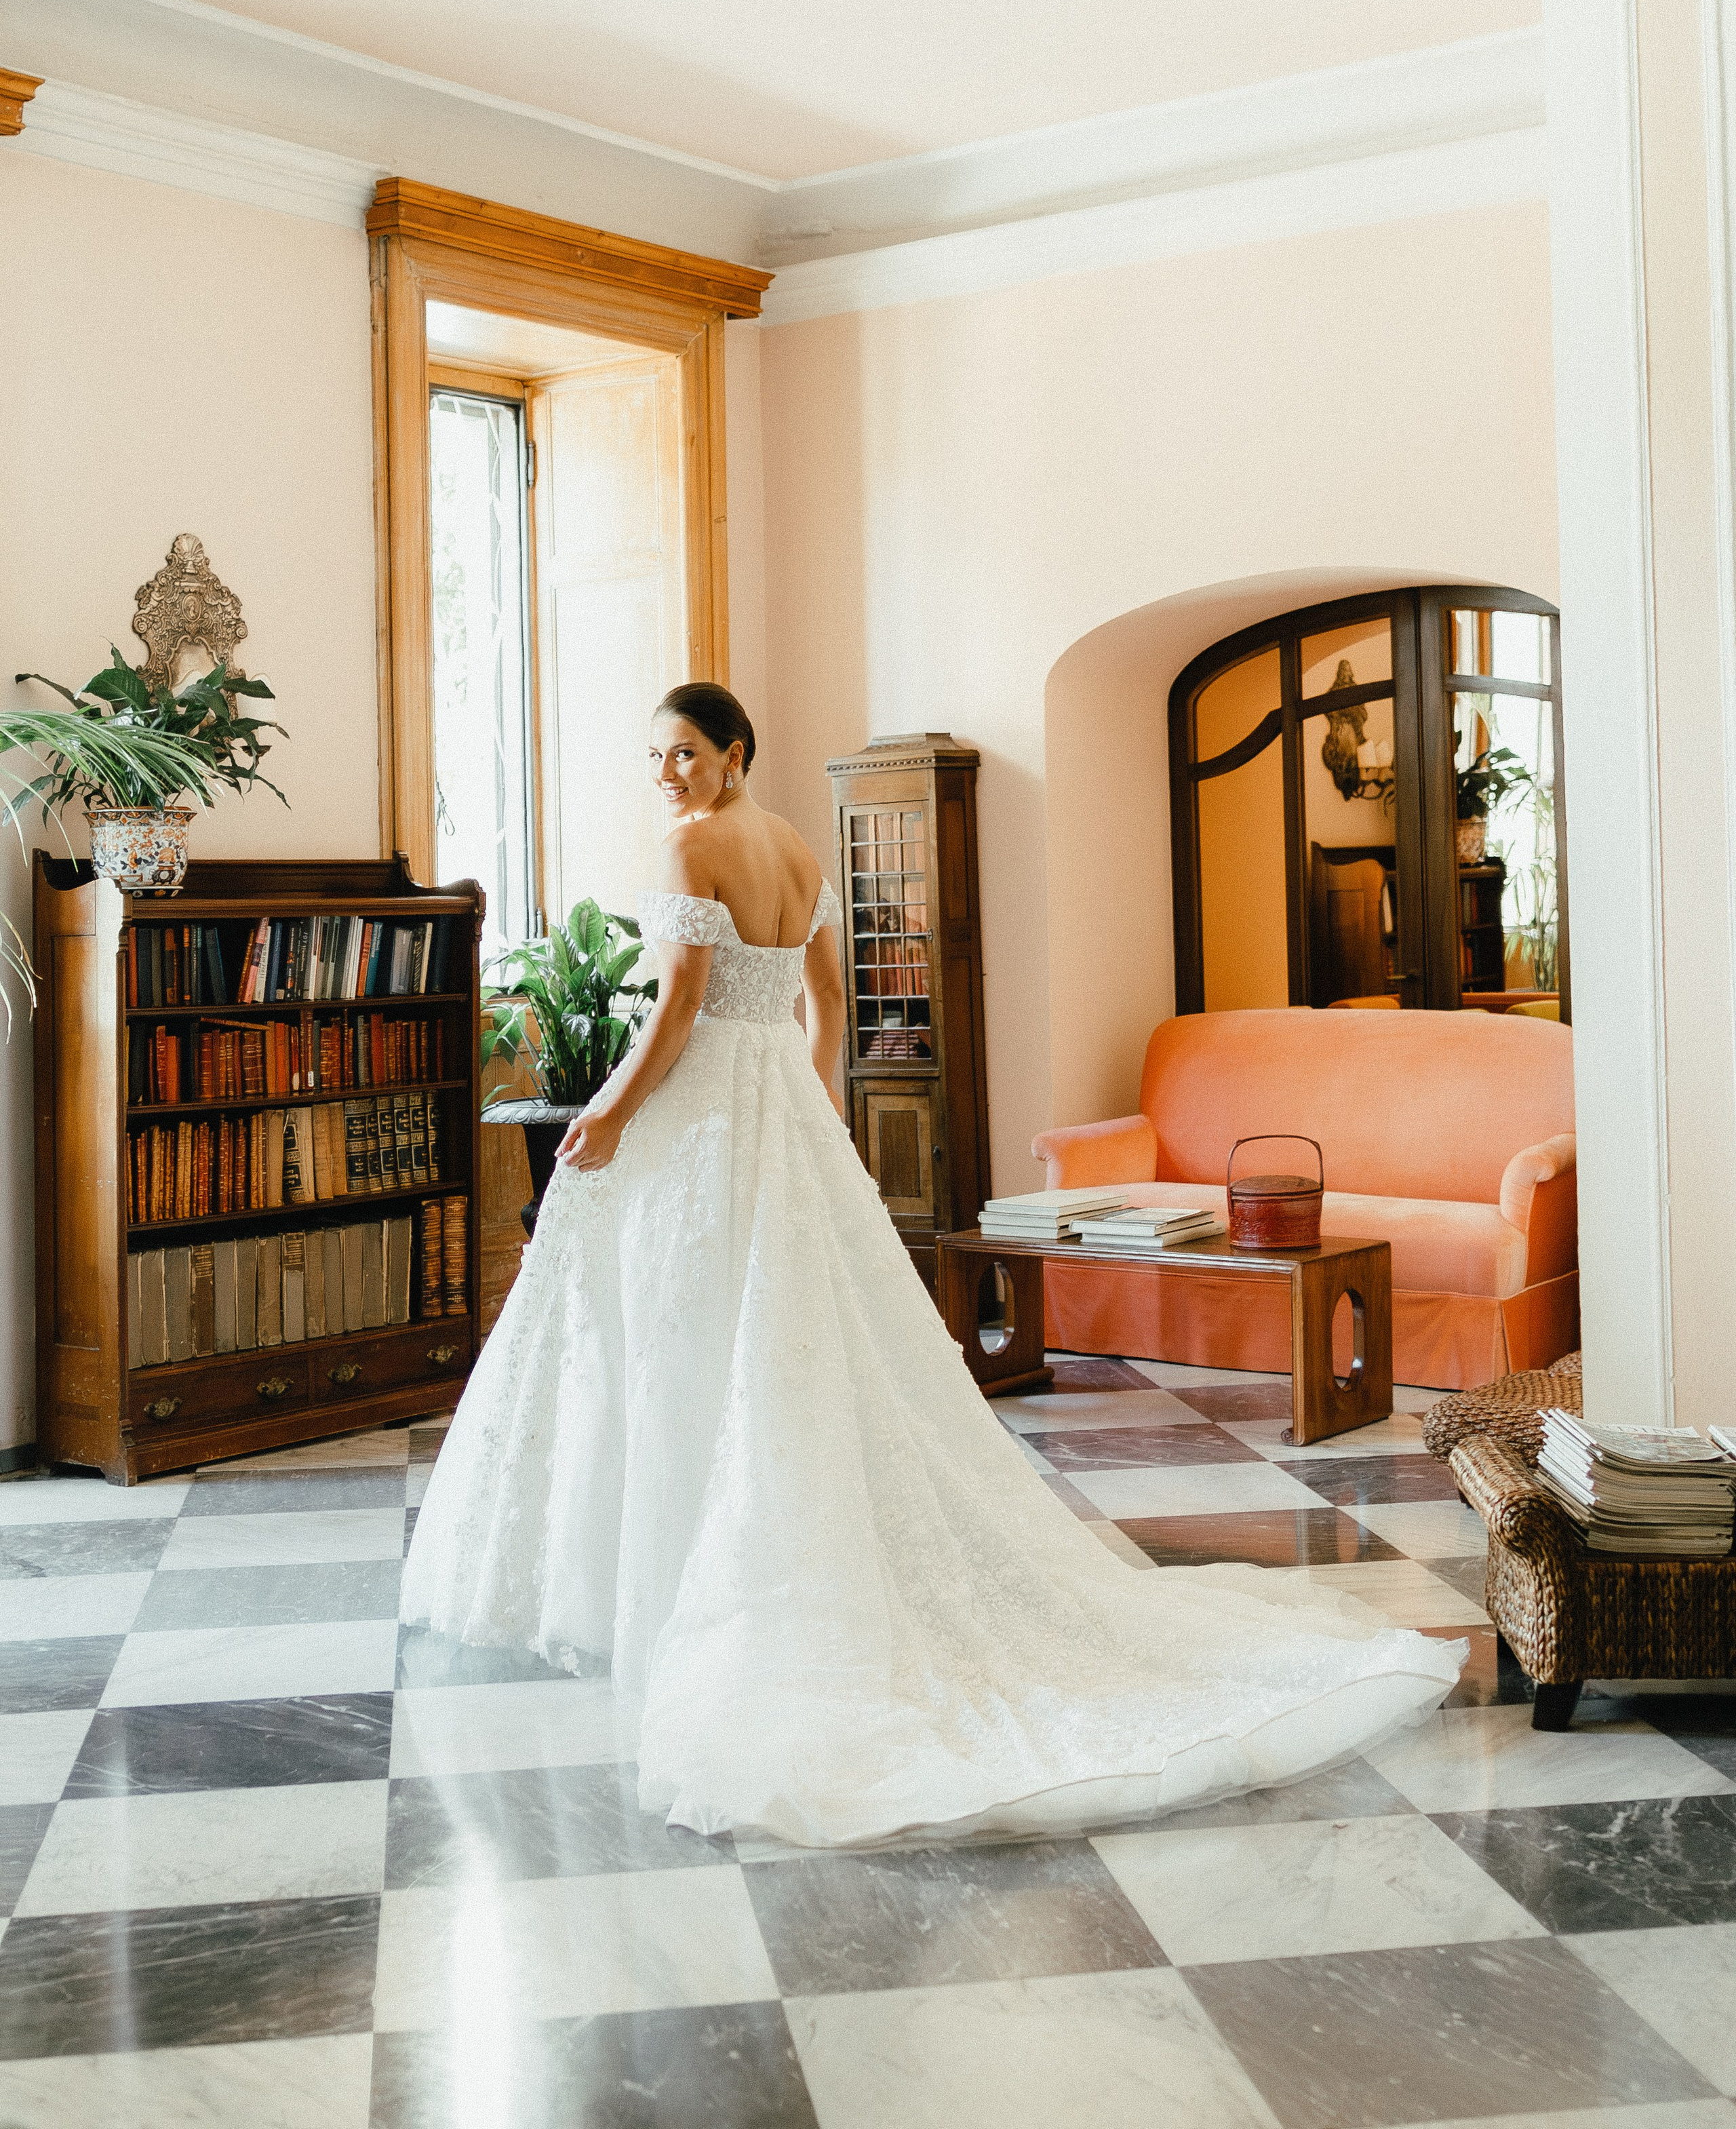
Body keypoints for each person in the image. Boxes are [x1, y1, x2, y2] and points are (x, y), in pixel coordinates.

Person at [401, 685, 1462, 1848]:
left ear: (734, 753)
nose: (667, 773)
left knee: (669, 1327)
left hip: (703, 1104)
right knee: (762, 1335)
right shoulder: (799, 848)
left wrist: (605, 1116)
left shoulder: (694, 843)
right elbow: (827, 1012)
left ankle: (672, 1586)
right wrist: (795, 1102)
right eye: (655, 755)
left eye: (686, 753)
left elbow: (680, 1009)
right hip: (770, 1110)